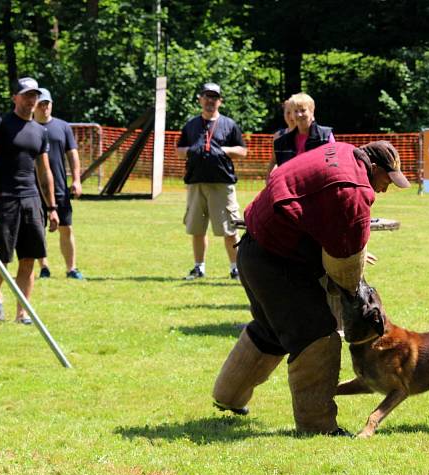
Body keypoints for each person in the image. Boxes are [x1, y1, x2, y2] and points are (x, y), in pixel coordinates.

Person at [211, 140, 410, 435]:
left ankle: (228, 397)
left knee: (271, 331)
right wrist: (353, 289)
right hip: (277, 261)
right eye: (386, 181)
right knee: (317, 335)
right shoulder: (354, 190)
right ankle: (318, 425)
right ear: (375, 168)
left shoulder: (342, 151)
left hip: (253, 250)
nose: (385, 188)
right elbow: (344, 267)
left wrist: (350, 247)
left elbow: (319, 215)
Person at [0, 77, 60, 324]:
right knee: (1, 257)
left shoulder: (40, 131)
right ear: (15, 97)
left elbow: (45, 173)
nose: (31, 100)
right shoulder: (0, 124)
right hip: (3, 199)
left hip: (31, 200)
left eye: (34, 96)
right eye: (26, 95)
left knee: (30, 257)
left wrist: (52, 207)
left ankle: (22, 312)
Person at [176, 82, 247, 281]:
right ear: (200, 99)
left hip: (221, 184)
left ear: (220, 101)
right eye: (206, 96)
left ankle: (236, 268)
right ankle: (199, 268)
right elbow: (179, 151)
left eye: (214, 97)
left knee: (230, 229)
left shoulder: (229, 124)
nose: (210, 101)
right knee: (197, 228)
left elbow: (243, 151)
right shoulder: (191, 125)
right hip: (196, 183)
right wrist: (192, 150)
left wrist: (224, 150)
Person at [33, 88, 83, 280]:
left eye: (47, 104)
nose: (44, 107)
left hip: (60, 188)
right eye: (41, 104)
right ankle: (43, 266)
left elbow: (73, 155)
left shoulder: (62, 127)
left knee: (66, 228)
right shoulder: (29, 127)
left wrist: (77, 180)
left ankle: (71, 269)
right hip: (34, 188)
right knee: (37, 230)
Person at [269, 92, 334, 173]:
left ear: (311, 111)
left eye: (303, 110)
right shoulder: (281, 142)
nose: (299, 114)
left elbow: (333, 164)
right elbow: (274, 164)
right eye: (295, 111)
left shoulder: (325, 135)